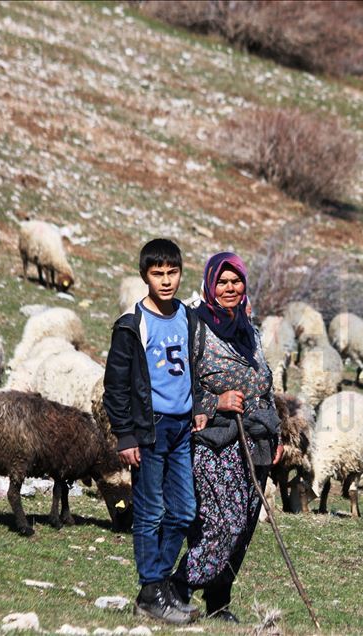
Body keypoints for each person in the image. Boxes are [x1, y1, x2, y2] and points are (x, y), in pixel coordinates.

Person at [171, 252, 283, 623]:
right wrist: (214, 401)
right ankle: (177, 589)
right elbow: (174, 387)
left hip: (256, 445)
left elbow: (265, 386)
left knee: (244, 530)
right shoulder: (194, 328)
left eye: (236, 281)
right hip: (214, 442)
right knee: (224, 524)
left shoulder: (250, 330)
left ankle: (218, 601)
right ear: (209, 284)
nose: (231, 288)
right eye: (223, 281)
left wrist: (277, 431)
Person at [103, 238, 200, 625]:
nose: (165, 281)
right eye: (157, 274)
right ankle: (151, 591)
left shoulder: (189, 319)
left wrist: (202, 409)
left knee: (184, 511)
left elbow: (196, 368)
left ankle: (155, 587)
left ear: (180, 273)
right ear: (145, 276)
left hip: (182, 428)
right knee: (150, 512)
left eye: (171, 273)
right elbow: (116, 386)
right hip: (151, 428)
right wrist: (125, 435)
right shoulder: (131, 325)